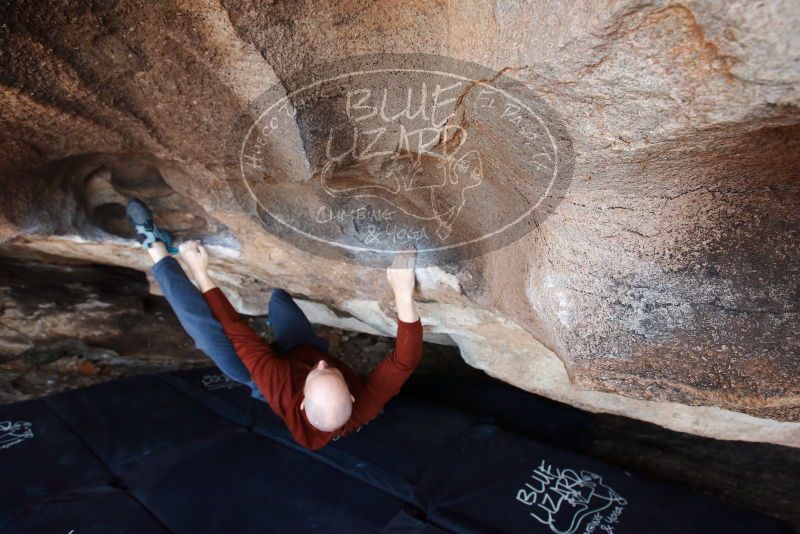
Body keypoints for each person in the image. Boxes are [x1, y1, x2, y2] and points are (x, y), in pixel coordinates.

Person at [126, 198, 424, 450]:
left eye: (317, 375)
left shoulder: (277, 383)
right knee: (280, 300)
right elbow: (405, 361)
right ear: (351, 395)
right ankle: (281, 329)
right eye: (331, 370)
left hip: (255, 371)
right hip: (299, 350)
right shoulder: (364, 404)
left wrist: (201, 270)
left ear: (303, 402)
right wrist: (402, 293)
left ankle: (154, 245)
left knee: (202, 325)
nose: (321, 365)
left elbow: (235, 326)